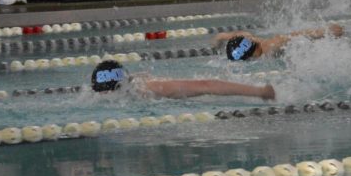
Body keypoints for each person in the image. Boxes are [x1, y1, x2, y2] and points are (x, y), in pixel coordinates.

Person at [91, 60, 275, 99]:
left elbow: (207, 85)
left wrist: (260, 92)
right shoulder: (141, 87)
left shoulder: (146, 88)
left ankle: (258, 91)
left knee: (205, 85)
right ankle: (259, 91)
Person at [212, 24, 344, 59]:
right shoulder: (244, 37)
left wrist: (326, 32)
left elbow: (298, 35)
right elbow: (220, 36)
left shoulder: (273, 46)